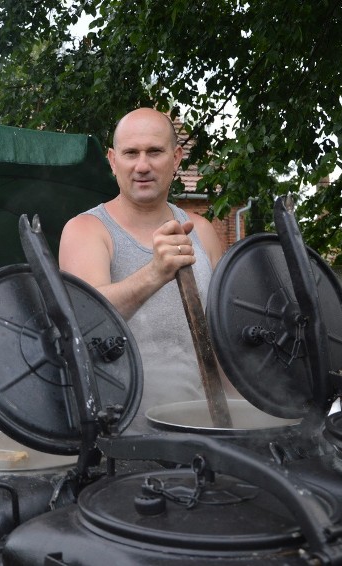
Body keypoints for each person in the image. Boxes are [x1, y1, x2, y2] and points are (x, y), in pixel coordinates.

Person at [59, 107, 237, 430]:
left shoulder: (202, 232)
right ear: (113, 161)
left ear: (176, 157)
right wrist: (155, 273)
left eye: (155, 151)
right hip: (123, 443)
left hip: (203, 433)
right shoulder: (86, 230)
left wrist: (244, 421)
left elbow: (222, 345)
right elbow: (84, 324)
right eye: (131, 153)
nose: (142, 165)